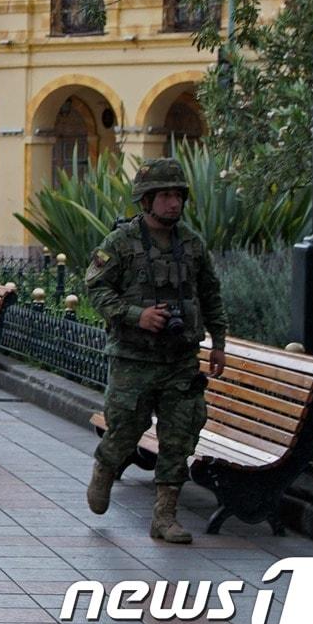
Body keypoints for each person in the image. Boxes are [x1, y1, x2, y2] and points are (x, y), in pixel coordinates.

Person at [84, 157, 228, 544]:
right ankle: (105, 464)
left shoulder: (193, 246)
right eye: (164, 196)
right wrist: (136, 314)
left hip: (180, 359)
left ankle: (164, 517)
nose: (173, 203)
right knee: (126, 430)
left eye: (178, 195)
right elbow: (95, 288)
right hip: (134, 360)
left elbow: (211, 295)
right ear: (146, 201)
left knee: (179, 435)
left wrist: (219, 343)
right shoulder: (121, 243)